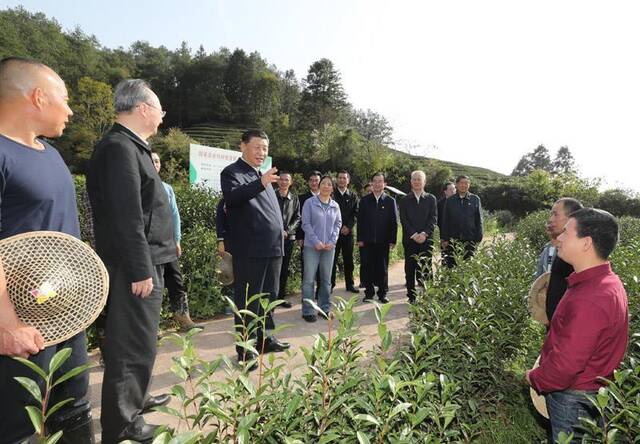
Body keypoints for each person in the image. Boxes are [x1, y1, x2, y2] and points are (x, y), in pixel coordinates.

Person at [0, 56, 93, 444]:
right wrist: (6, 325)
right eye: (64, 98)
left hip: (64, 316)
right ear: (38, 97)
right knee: (19, 425)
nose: (70, 110)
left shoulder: (50, 154)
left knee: (74, 414)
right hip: (20, 328)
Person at [87, 79, 174, 443]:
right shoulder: (119, 148)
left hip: (145, 260)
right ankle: (123, 424)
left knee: (140, 341)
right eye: (159, 109)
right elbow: (127, 217)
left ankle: (133, 403)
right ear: (143, 109)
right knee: (130, 345)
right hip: (134, 266)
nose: (162, 116)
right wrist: (140, 269)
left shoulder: (130, 147)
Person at [527, 208, 628, 442]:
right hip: (587, 393)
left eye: (566, 233)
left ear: (586, 243)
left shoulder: (591, 297)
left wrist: (534, 377)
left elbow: (566, 366)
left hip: (573, 399)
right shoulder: (603, 283)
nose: (559, 238)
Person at [220, 130, 290, 369]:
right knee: (248, 301)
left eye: (266, 149)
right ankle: (245, 348)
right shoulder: (232, 173)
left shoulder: (262, 175)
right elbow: (233, 199)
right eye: (258, 147)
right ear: (243, 146)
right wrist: (260, 183)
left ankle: (265, 339)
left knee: (269, 297)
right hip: (250, 250)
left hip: (273, 248)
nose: (262, 153)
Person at [151, 152, 202, 331]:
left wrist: (177, 240)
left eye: (157, 160)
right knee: (153, 287)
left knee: (176, 281)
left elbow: (175, 216)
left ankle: (184, 319)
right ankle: (152, 327)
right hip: (151, 247)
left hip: (169, 244)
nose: (154, 163)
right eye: (151, 160)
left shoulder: (167, 188)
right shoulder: (141, 187)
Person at [535, 198, 583, 324]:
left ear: (572, 219)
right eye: (551, 214)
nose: (550, 219)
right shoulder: (547, 250)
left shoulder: (579, 255)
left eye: (555, 214)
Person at [301, 175, 342, 322]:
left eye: (329, 184)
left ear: (332, 188)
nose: (326, 186)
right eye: (323, 183)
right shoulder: (309, 203)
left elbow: (338, 224)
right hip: (312, 247)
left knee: (326, 280)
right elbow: (305, 224)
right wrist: (316, 241)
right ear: (319, 186)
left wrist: (332, 241)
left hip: (329, 248)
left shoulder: (335, 206)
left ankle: (324, 308)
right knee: (309, 279)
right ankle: (308, 310)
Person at [357, 172, 398, 303]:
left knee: (382, 268)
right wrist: (360, 239)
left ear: (384, 184)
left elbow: (394, 222)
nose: (377, 184)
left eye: (380, 181)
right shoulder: (364, 200)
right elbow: (360, 221)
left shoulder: (390, 201)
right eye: (375, 181)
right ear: (371, 183)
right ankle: (369, 293)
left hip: (383, 241)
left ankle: (382, 293)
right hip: (367, 241)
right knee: (367, 267)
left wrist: (393, 240)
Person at [399, 171, 437, 303]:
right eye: (414, 179)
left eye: (419, 179)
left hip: (426, 240)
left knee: (426, 267)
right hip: (410, 240)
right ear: (411, 182)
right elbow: (403, 220)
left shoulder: (431, 199)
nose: (416, 182)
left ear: (424, 182)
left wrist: (424, 233)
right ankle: (412, 297)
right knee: (410, 269)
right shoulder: (404, 200)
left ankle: (428, 296)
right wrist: (414, 234)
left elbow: (433, 218)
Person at [440, 175, 483, 268]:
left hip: (470, 240)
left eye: (466, 183)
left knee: (468, 267)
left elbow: (479, 220)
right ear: (457, 185)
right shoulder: (450, 201)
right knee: (452, 267)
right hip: (453, 240)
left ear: (469, 185)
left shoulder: (475, 199)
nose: (464, 185)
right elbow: (445, 220)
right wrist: (444, 238)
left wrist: (478, 238)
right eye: (461, 183)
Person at [331, 170, 359, 293]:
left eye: (344, 178)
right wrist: (338, 227)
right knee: (332, 259)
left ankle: (350, 284)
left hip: (348, 233)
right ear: (336, 180)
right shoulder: (331, 194)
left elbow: (356, 213)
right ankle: (330, 285)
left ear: (348, 180)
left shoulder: (353, 196)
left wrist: (348, 226)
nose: (342, 180)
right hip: (333, 233)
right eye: (340, 177)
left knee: (349, 260)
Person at [275, 171, 300, 308]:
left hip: (288, 239)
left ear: (291, 182)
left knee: (284, 268)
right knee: (273, 269)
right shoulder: (271, 196)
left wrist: (288, 230)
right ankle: (271, 298)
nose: (284, 182)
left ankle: (281, 297)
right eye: (282, 179)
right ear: (278, 181)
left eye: (287, 180)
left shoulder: (294, 199)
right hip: (273, 238)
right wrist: (278, 231)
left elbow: (298, 217)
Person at [297, 171, 322, 296]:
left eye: (316, 180)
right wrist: (300, 237)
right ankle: (307, 294)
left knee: (322, 268)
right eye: (312, 180)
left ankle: (320, 293)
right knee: (307, 267)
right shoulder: (301, 198)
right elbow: (299, 219)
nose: (314, 183)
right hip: (307, 239)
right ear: (308, 182)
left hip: (323, 239)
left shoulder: (327, 197)